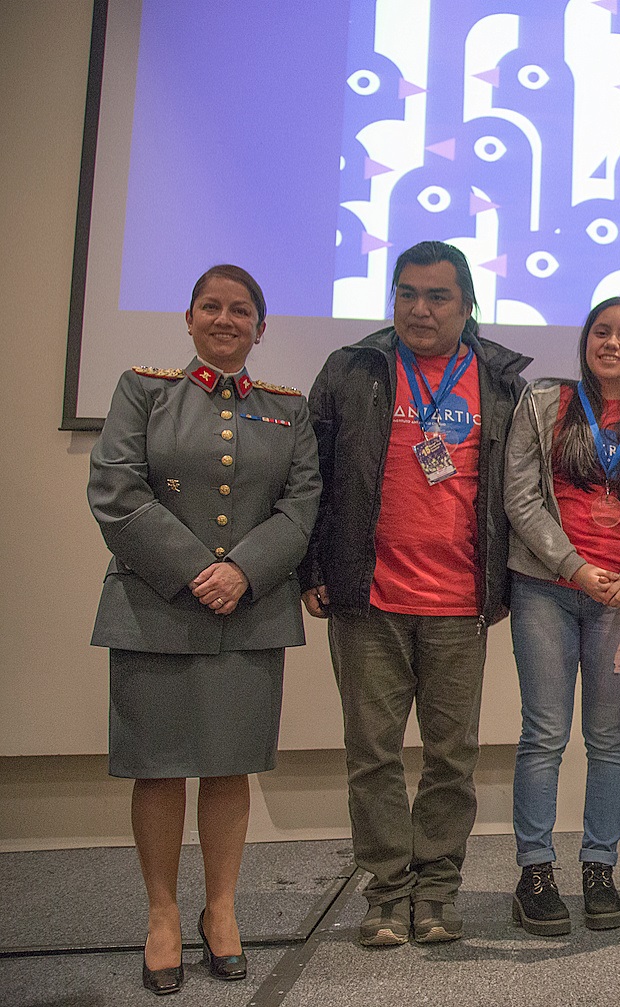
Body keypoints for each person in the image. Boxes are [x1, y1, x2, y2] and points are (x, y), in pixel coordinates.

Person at [88, 265, 320, 994]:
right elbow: (115, 489)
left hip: (250, 611)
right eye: (211, 307)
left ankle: (221, 909)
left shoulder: (288, 410)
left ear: (261, 327)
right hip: (156, 607)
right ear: (188, 318)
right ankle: (161, 914)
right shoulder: (143, 391)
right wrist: (197, 570)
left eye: (241, 310)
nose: (226, 319)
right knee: (158, 767)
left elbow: (303, 506)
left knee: (228, 765)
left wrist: (243, 570)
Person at [298, 241, 530, 946]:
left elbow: (520, 490)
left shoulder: (500, 382)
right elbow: (310, 476)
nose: (419, 309)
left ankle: (435, 890)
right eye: (407, 294)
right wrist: (311, 567)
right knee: (371, 754)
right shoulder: (352, 369)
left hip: (460, 602)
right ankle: (386, 892)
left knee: (451, 758)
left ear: (467, 306)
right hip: (369, 599)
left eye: (437, 296)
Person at [502, 297, 620, 935]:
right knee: (544, 735)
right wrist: (575, 567)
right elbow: (520, 497)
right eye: (602, 332)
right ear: (585, 341)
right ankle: (535, 872)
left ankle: (599, 868)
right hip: (545, 588)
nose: (612, 344)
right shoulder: (544, 402)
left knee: (608, 740)